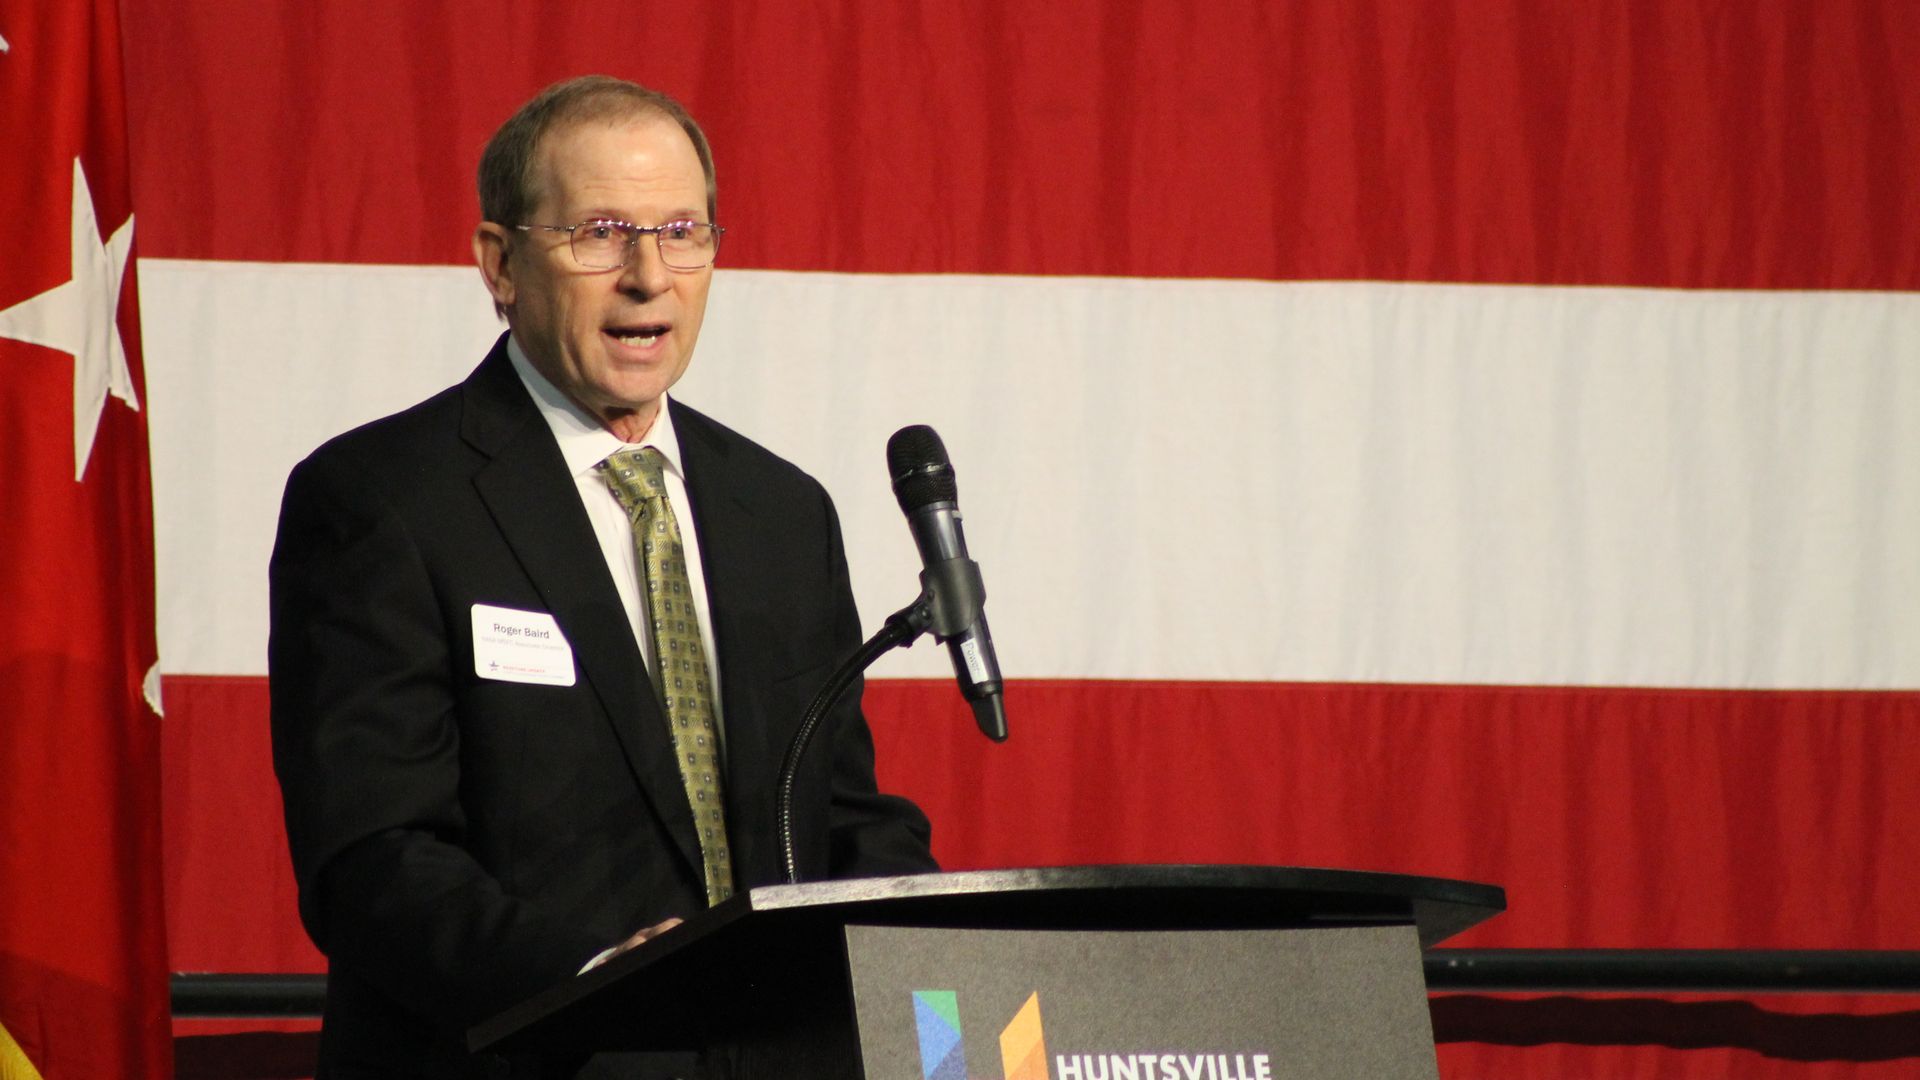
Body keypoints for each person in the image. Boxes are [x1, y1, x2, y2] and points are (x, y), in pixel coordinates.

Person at [269, 75, 937, 1079]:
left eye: (681, 231)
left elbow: (836, 811)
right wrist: (590, 982)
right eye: (601, 232)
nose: (647, 275)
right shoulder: (383, 501)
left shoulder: (781, 513)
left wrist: (933, 960)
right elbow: (372, 859)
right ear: (499, 264)